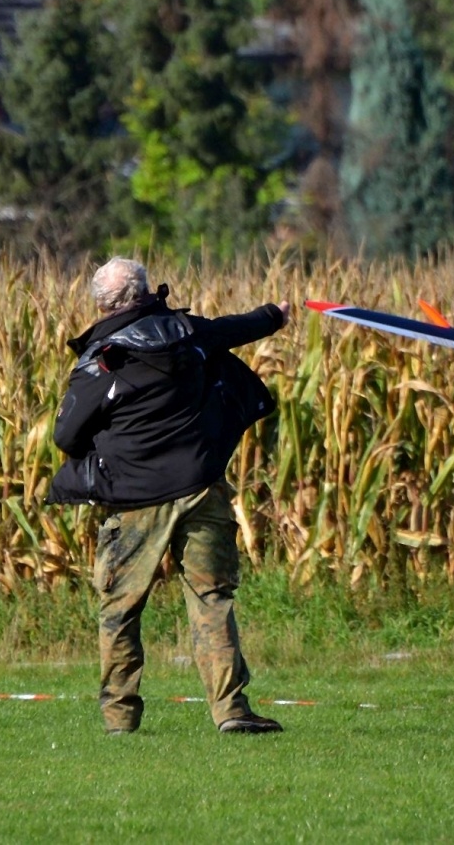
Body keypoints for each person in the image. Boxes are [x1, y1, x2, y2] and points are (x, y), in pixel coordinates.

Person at [48, 257, 290, 735]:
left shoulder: (100, 361)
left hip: (133, 500)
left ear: (103, 304)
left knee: (120, 608)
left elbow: (66, 435)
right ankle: (231, 711)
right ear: (143, 293)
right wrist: (274, 315)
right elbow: (235, 328)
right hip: (201, 487)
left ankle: (120, 718)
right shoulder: (187, 333)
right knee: (211, 597)